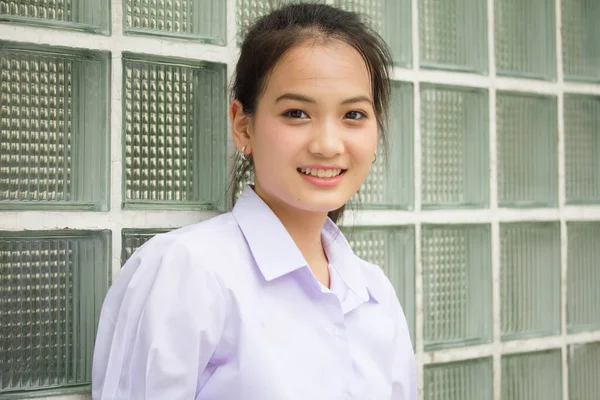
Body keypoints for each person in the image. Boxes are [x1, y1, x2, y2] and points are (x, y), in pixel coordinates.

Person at [92, 3, 416, 399]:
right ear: (243, 127)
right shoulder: (188, 271)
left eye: (353, 114)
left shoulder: (374, 293)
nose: (329, 145)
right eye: (297, 113)